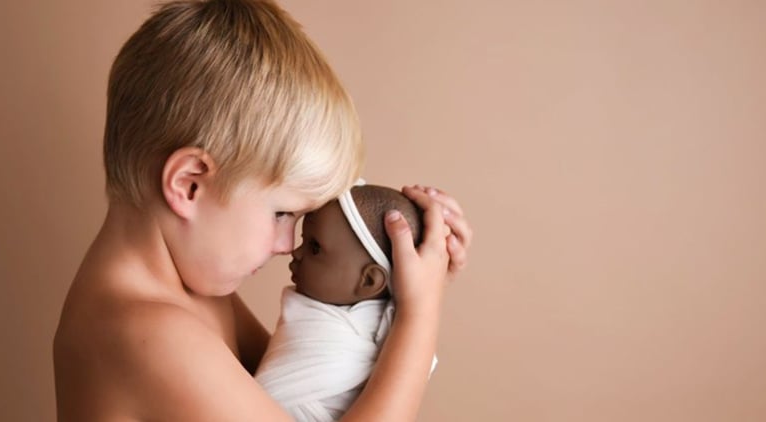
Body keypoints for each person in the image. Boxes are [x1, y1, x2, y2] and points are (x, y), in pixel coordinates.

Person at [52, 1, 472, 420]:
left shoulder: (188, 291)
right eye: (281, 214)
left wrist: (395, 293)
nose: (287, 244)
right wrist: (419, 320)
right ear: (189, 184)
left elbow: (299, 389)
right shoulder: (150, 334)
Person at [254, 182, 438, 422]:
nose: (294, 252)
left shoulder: (381, 332)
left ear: (369, 280)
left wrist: (419, 305)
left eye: (315, 247)